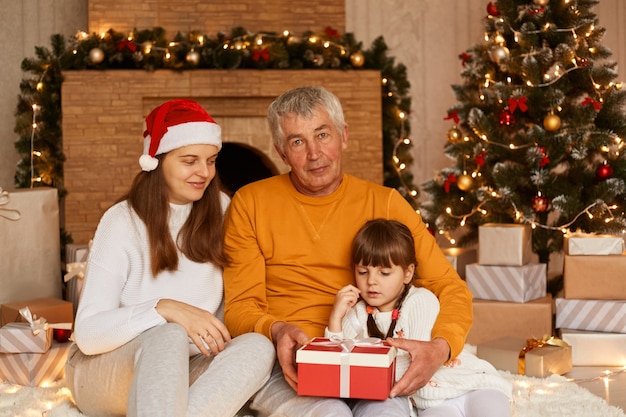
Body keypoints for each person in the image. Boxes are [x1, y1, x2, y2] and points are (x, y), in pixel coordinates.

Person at [223, 86, 474, 416]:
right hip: (289, 363)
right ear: (281, 153)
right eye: (298, 142)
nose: (315, 153)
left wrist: (439, 348)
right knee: (332, 414)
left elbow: (450, 288)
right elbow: (240, 307)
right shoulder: (250, 203)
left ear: (343, 136)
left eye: (322, 134)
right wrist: (277, 329)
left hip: (373, 359)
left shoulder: (384, 203)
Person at [66, 99, 275, 417]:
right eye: (189, 161)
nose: (203, 173)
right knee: (168, 333)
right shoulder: (121, 221)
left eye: (211, 160)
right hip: (104, 370)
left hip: (186, 368)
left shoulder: (222, 208)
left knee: (259, 346)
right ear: (156, 161)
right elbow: (89, 334)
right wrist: (164, 309)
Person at [327, 219, 511, 417]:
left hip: (471, 384)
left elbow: (416, 362)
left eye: (384, 273)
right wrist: (336, 319)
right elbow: (334, 365)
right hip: (429, 403)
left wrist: (364, 372)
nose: (371, 281)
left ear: (408, 273)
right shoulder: (358, 312)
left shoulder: (421, 301)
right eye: (363, 272)